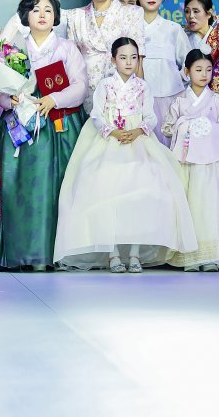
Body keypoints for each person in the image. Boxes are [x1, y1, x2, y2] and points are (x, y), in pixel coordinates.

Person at [54, 38, 196, 272]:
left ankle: (134, 254)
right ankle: (113, 255)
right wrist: (112, 131)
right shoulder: (105, 85)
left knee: (142, 194)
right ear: (113, 60)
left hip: (137, 138)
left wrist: (139, 130)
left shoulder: (143, 86)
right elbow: (97, 114)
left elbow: (150, 116)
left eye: (133, 57)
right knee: (108, 193)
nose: (129, 62)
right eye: (123, 57)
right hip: (109, 138)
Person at [0, 0, 87, 270]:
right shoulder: (12, 49)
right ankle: (20, 254)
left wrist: (53, 99)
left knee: (57, 190)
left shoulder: (67, 48)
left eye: (48, 9)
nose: (42, 14)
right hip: (20, 128)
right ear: (25, 16)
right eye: (35, 10)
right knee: (17, 189)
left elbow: (81, 86)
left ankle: (53, 253)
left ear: (56, 16)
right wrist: (8, 100)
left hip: (57, 125)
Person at [162, 50, 219, 272]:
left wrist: (209, 128)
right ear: (187, 72)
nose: (204, 75)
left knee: (212, 205)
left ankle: (212, 255)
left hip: (213, 163)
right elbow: (167, 128)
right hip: (187, 163)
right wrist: (185, 124)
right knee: (190, 204)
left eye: (209, 70)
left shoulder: (217, 100)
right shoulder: (180, 102)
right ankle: (190, 256)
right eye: (198, 69)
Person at [63, 0, 146, 108]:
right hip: (84, 94)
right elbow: (71, 63)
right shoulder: (75, 16)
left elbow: (138, 62)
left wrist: (139, 100)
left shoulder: (132, 13)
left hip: (121, 95)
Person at [136, 0, 190, 143]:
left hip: (170, 98)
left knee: (171, 147)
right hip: (137, 101)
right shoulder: (129, 28)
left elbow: (190, 62)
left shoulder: (173, 29)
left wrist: (177, 79)